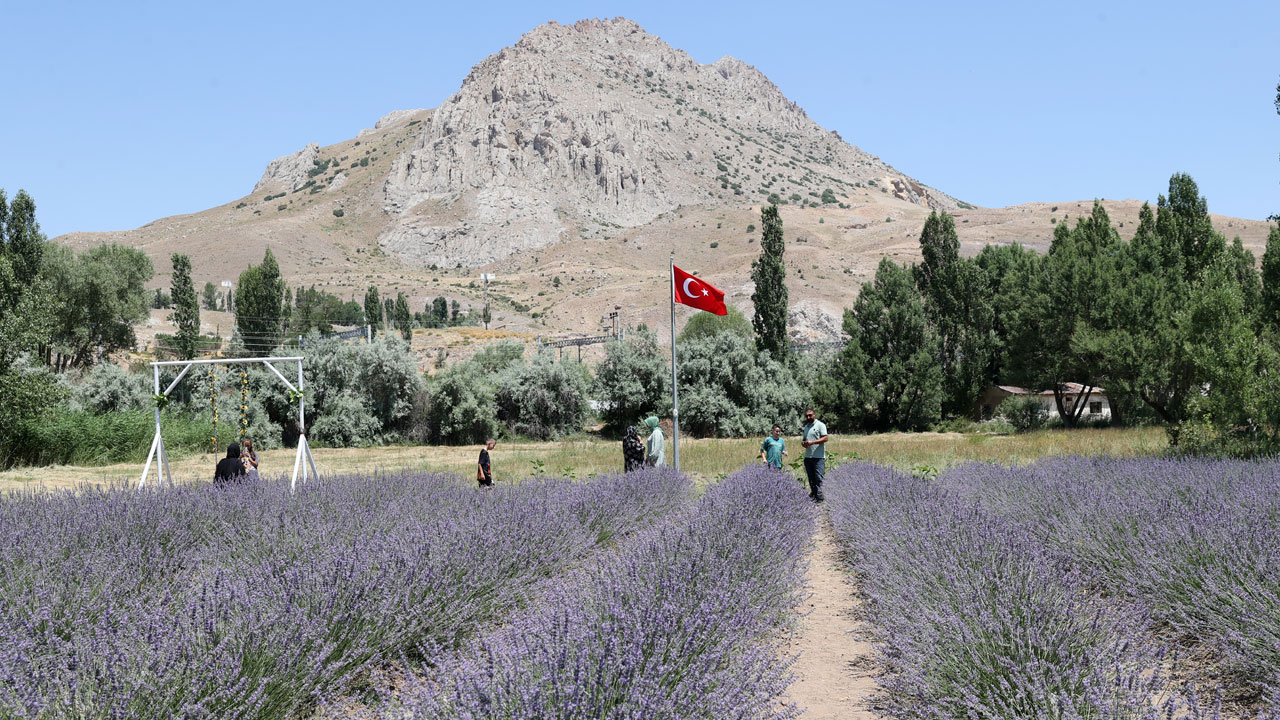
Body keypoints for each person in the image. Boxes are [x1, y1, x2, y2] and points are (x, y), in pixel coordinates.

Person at [801, 409, 829, 502]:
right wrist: (804, 443)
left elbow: (825, 438)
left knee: (819, 478)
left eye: (810, 415)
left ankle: (820, 498)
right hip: (808, 456)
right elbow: (805, 439)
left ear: (814, 415)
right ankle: (814, 495)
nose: (808, 417)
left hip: (818, 457)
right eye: (806, 416)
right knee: (811, 478)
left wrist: (813, 442)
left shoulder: (820, 425)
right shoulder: (806, 427)